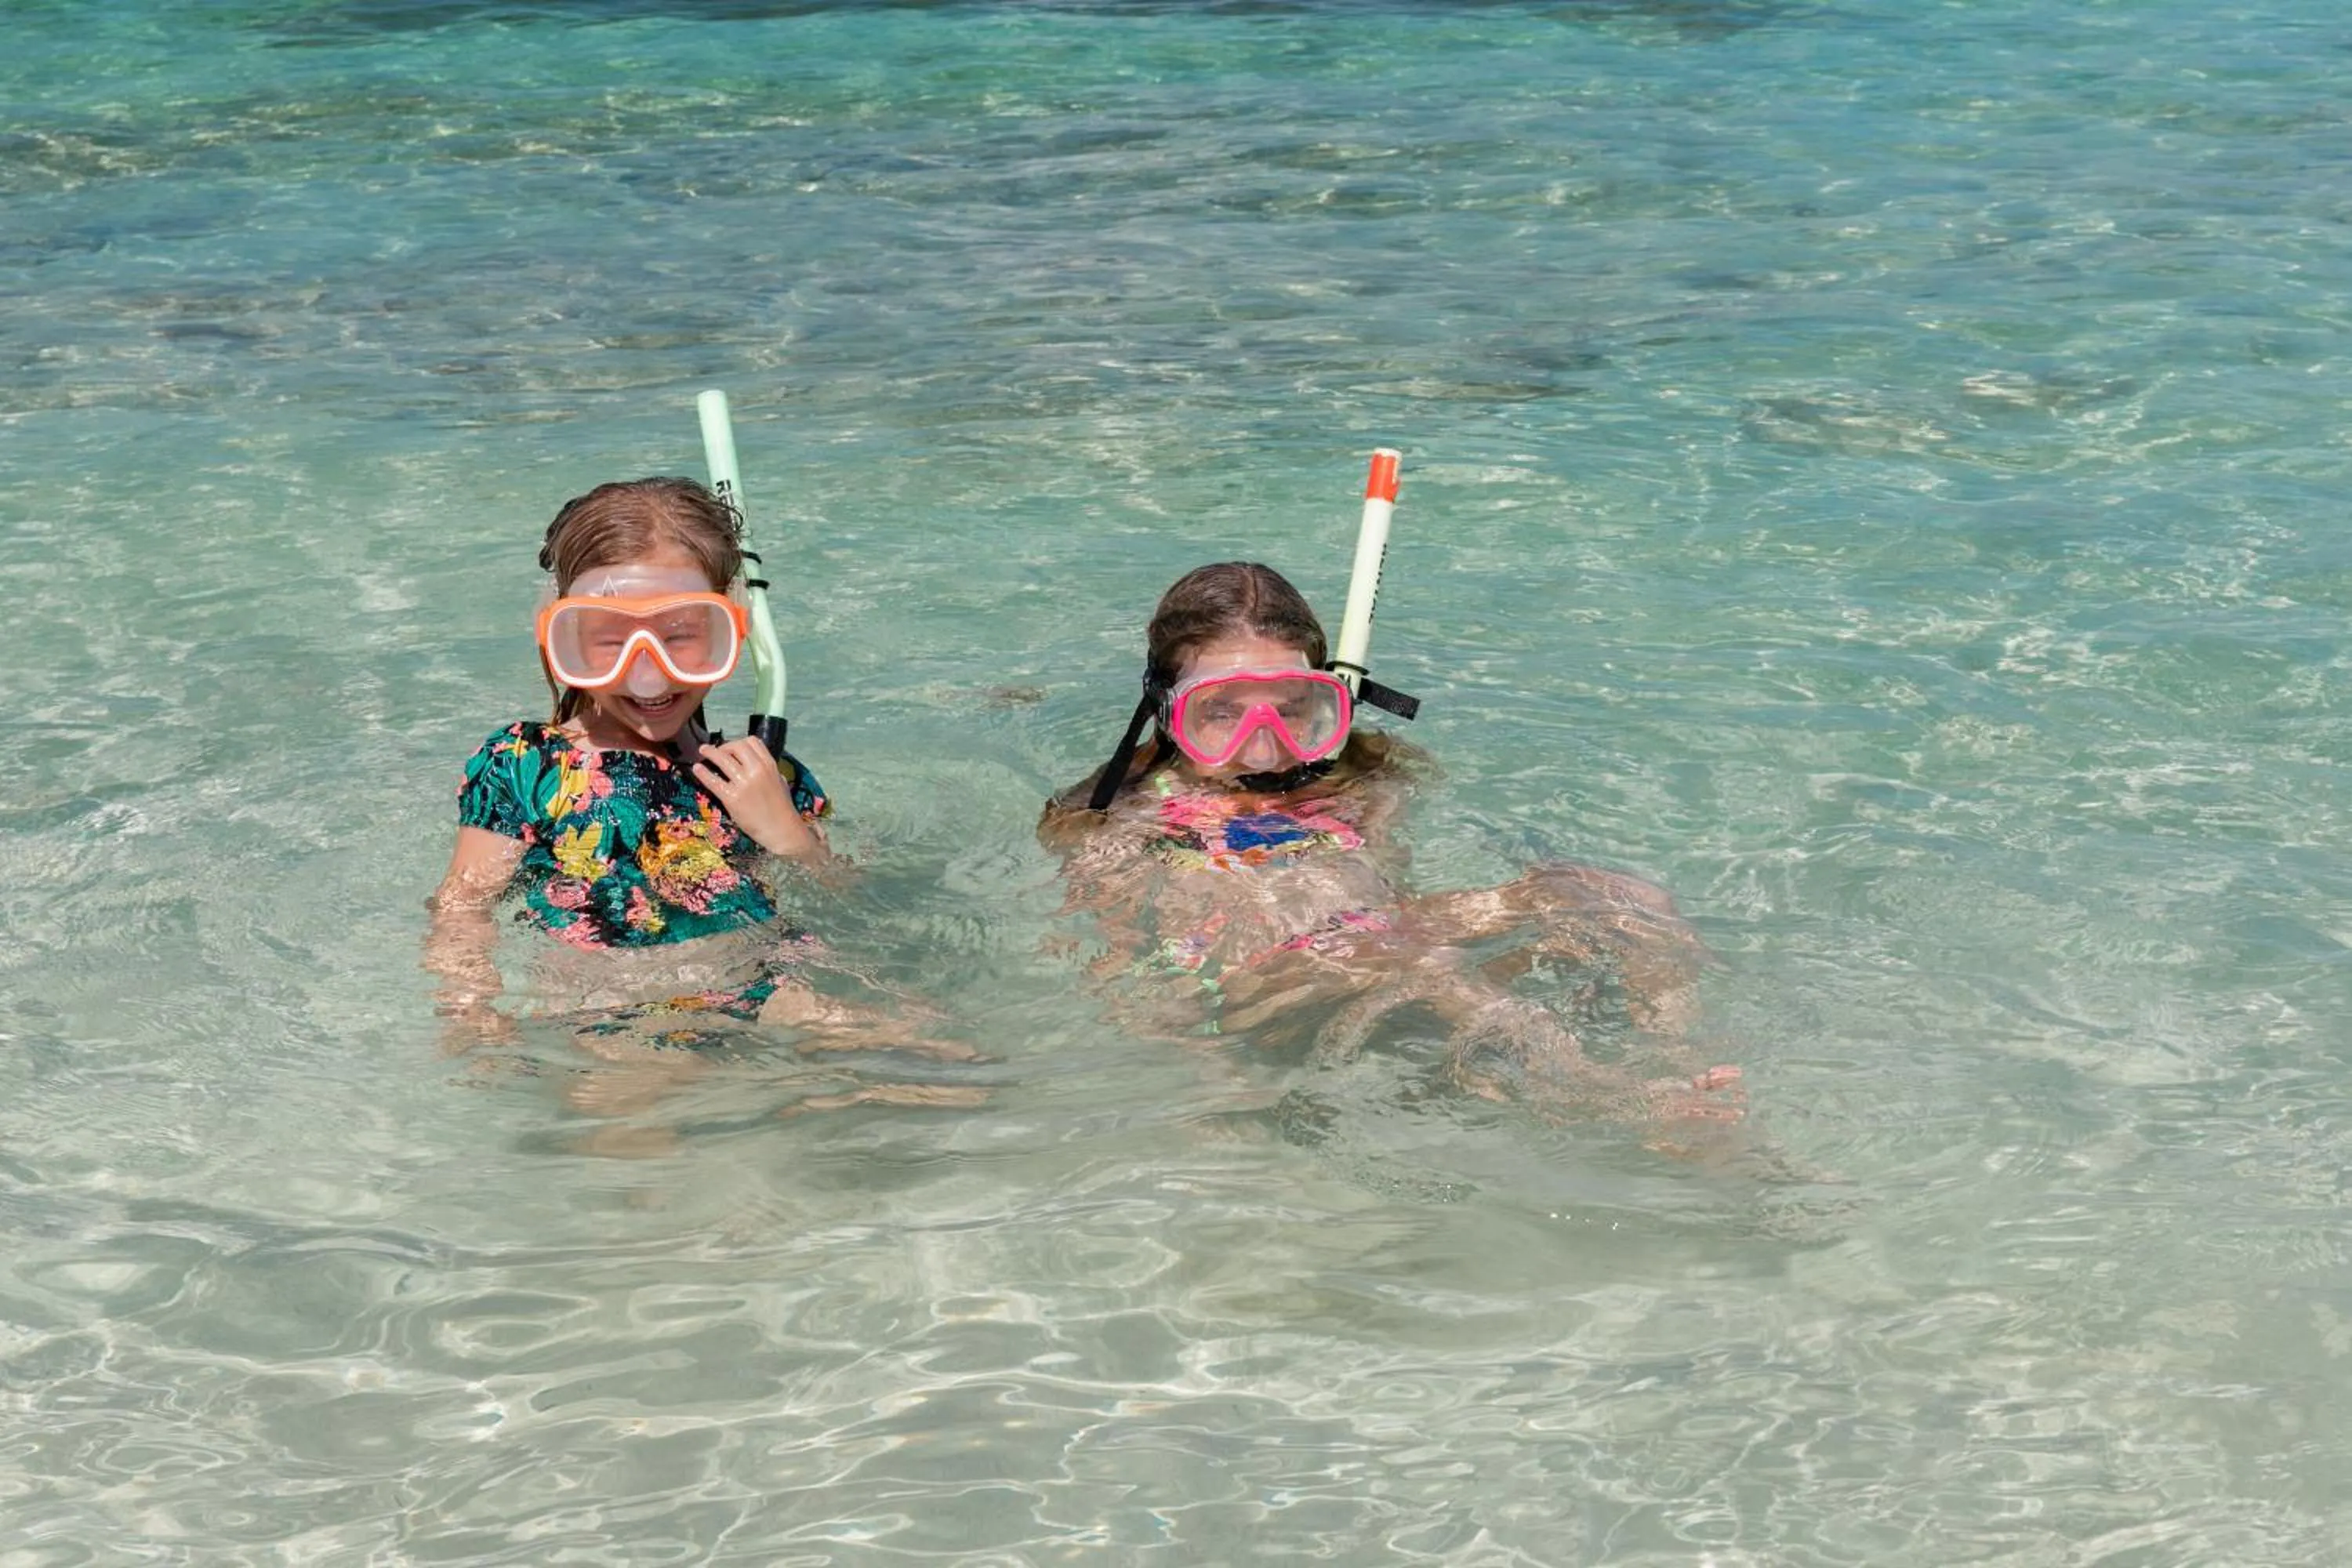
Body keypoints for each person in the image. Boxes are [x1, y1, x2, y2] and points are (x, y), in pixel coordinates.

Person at [1041, 561, 1740, 1131]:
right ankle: (1601, 1095)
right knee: (1417, 959)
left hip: (1379, 952)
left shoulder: (1370, 774)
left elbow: (1390, 893)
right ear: (1165, 705)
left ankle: (1679, 1055)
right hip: (1247, 997)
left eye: (1291, 709)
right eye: (1221, 712)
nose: (1264, 745)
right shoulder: (1111, 812)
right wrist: (1211, 1090)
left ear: (1330, 696)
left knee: (1615, 895)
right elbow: (1118, 967)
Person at [425, 477, 973, 1123]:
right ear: (561, 635)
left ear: (730, 628)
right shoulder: (524, 763)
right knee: (636, 1145)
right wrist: (472, 1013)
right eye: (608, 637)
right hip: (613, 1011)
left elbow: (852, 902)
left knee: (956, 1075)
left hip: (768, 989)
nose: (648, 672)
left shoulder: (762, 772)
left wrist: (790, 837)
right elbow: (463, 907)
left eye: (681, 633)